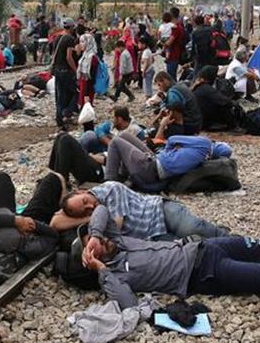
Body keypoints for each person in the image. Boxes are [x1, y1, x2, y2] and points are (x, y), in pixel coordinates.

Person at [80, 212, 260, 307]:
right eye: (97, 245)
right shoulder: (115, 276)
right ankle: (259, 271)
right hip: (202, 273)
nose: (103, 240)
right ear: (92, 260)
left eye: (100, 239)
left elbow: (101, 208)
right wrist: (101, 269)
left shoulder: (120, 242)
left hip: (205, 246)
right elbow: (128, 304)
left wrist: (93, 234)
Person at [58, 180, 231, 242]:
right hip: (151, 237)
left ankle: (230, 238)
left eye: (86, 201)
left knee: (192, 228)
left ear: (81, 192)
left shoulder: (111, 189)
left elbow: (116, 227)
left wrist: (92, 219)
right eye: (85, 210)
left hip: (159, 211)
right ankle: (220, 237)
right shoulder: (91, 214)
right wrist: (86, 219)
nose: (91, 207)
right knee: (193, 247)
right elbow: (54, 222)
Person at [0, 171, 62, 259]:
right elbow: (53, 235)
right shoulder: (29, 247)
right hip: (28, 228)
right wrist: (28, 223)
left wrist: (17, 221)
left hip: (15, 226)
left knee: (0, 178)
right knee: (53, 180)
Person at [104, 132, 232, 187]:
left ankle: (110, 182)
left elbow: (172, 139)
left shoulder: (205, 143)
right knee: (124, 136)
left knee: (115, 141)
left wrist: (168, 150)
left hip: (149, 167)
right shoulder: (204, 158)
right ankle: (122, 175)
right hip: (156, 167)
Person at [152, 71, 203, 136]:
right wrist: (164, 100)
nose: (159, 88)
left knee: (156, 130)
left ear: (165, 81)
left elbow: (173, 111)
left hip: (188, 124)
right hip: (197, 122)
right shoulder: (179, 85)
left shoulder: (172, 92)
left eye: (159, 85)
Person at [79, 105, 145, 153]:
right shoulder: (112, 124)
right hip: (104, 149)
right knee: (88, 135)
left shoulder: (137, 131)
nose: (111, 120)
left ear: (119, 119)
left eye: (113, 117)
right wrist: (109, 142)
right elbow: (99, 130)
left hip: (120, 157)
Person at [190, 66, 236, 130]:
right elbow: (224, 101)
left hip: (197, 117)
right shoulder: (206, 88)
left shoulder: (197, 85)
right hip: (202, 121)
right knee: (225, 106)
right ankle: (232, 127)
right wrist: (234, 104)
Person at [52, 19, 79, 127]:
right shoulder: (69, 39)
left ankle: (59, 119)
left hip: (57, 70)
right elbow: (69, 57)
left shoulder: (58, 38)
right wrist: (75, 70)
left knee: (60, 96)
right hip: (65, 70)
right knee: (76, 92)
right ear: (72, 27)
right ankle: (67, 113)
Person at [76, 32, 99, 108]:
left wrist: (86, 93)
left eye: (83, 42)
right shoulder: (85, 54)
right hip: (83, 83)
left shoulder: (92, 57)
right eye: (80, 42)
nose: (81, 44)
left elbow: (92, 75)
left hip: (88, 85)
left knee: (86, 103)